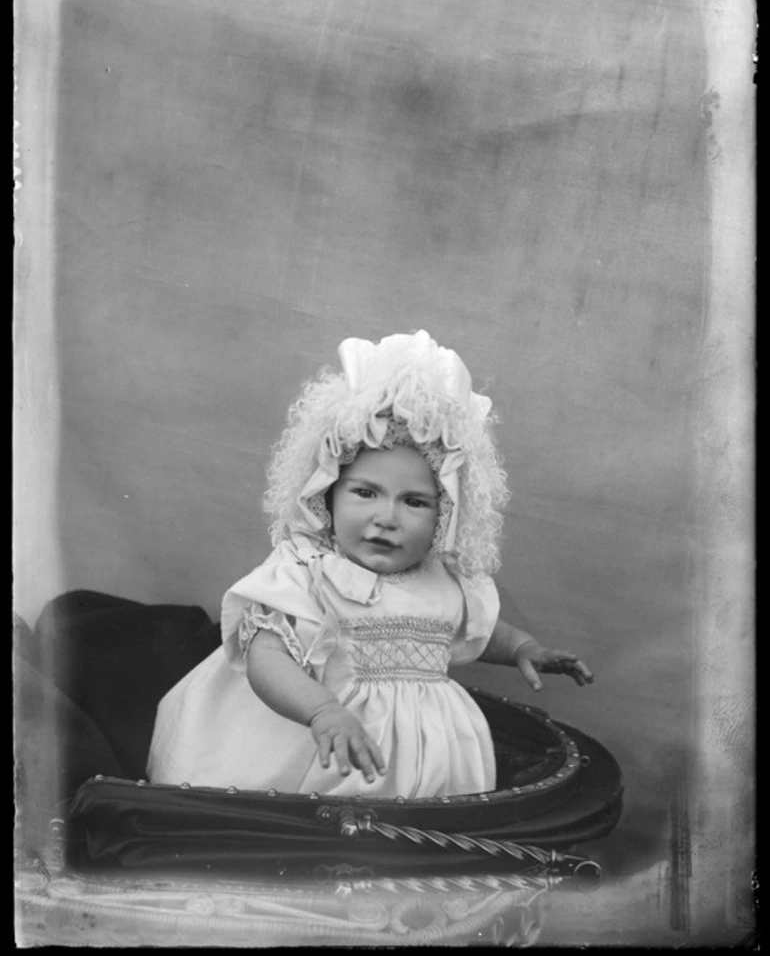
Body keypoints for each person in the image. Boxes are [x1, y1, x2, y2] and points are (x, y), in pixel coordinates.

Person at [147, 331, 592, 798]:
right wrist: (322, 711)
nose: (386, 518)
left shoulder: (444, 578)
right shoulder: (308, 568)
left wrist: (525, 647)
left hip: (425, 751)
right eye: (365, 493)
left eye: (415, 502)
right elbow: (266, 656)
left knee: (418, 832)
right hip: (315, 737)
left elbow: (479, 628)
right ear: (327, 494)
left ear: (446, 517)